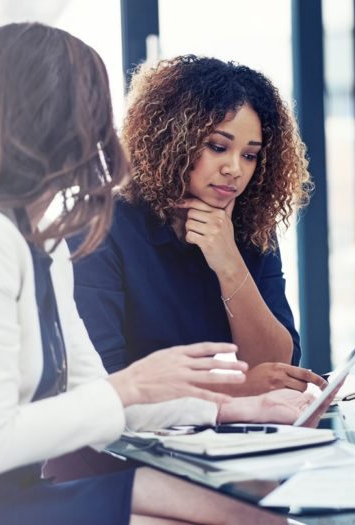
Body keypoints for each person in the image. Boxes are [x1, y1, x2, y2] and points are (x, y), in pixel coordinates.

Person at [0, 24, 323, 525]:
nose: (105, 132)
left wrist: (230, 409)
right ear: (38, 123)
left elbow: (92, 392)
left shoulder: (41, 241)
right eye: (89, 110)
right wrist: (134, 386)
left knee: (249, 512)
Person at [70, 55, 326, 397]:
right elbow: (105, 381)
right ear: (173, 140)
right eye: (218, 147)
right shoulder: (100, 225)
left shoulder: (249, 226)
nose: (234, 168)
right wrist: (236, 388)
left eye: (249, 155)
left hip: (235, 435)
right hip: (134, 444)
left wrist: (229, 263)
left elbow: (280, 364)